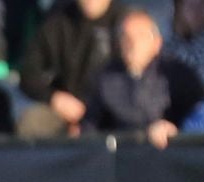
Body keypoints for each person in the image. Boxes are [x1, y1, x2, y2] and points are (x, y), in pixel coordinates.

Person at [87, 9, 204, 146]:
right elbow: (91, 128)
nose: (132, 44)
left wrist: (174, 130)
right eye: (126, 37)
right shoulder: (105, 79)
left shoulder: (178, 75)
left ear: (157, 43)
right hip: (123, 157)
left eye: (140, 37)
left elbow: (201, 119)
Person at [17, 0, 125, 137]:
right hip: (67, 109)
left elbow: (136, 76)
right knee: (32, 122)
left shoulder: (126, 23)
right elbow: (28, 74)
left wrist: (92, 116)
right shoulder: (58, 20)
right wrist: (55, 98)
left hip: (112, 109)